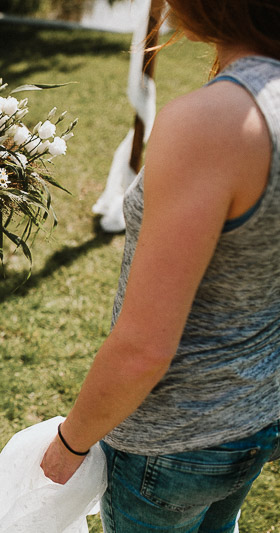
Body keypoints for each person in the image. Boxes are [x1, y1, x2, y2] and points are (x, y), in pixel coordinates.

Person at [40, 0, 280, 531]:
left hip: (173, 440)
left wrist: (69, 443)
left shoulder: (213, 122)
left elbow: (145, 349)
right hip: (258, 417)